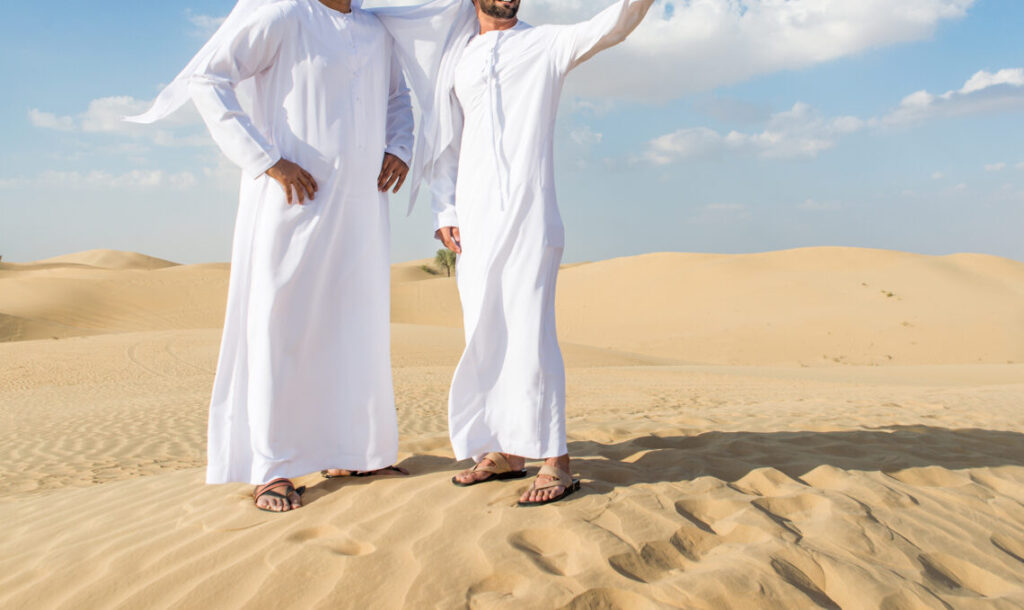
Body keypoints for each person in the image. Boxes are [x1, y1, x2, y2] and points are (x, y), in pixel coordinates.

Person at [126, 0, 414, 512]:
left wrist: (400, 145)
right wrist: (266, 160)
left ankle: (355, 451)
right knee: (279, 327)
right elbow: (208, 78)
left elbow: (399, 98)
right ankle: (271, 468)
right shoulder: (284, 15)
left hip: (362, 208)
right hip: (293, 203)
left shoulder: (376, 30)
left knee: (354, 324)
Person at [371, 0, 653, 506]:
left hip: (530, 216)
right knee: (484, 329)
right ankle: (504, 451)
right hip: (474, 222)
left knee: (530, 331)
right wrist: (445, 210)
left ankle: (556, 461)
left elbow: (615, 24)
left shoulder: (546, 44)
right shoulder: (458, 59)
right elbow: (446, 144)